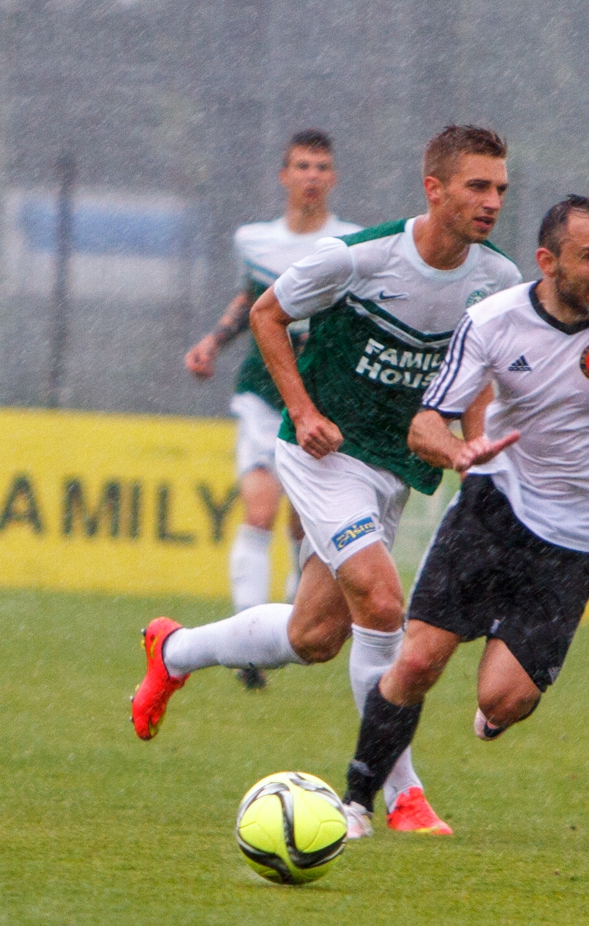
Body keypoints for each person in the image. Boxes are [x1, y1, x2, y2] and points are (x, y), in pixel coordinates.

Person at [132, 126, 524, 835]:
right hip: (324, 454)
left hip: (394, 466)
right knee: (381, 602)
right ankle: (393, 794)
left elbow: (477, 372)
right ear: (434, 189)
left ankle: (175, 649)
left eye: (499, 187)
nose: (492, 200)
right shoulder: (362, 256)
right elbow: (266, 314)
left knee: (314, 636)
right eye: (477, 186)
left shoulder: (496, 281)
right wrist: (304, 411)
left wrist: (480, 449)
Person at [338, 195, 589, 837]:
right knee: (416, 662)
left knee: (505, 699)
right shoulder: (493, 321)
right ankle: (354, 803)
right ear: (548, 262)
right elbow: (424, 424)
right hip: (493, 505)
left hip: (580, 537)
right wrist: (460, 451)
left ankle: (493, 710)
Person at [183, 129, 361, 690]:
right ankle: (245, 648)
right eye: (302, 166)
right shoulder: (254, 240)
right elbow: (250, 299)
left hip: (321, 388)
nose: (312, 176)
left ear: (333, 178)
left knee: (302, 520)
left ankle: (287, 617)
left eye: (321, 167)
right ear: (284, 176)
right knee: (259, 510)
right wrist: (213, 341)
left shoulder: (352, 243)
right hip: (266, 384)